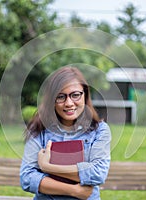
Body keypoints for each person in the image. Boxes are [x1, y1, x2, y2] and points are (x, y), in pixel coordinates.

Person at [20, 66, 111, 200]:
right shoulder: (38, 129)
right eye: (60, 97)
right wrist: (74, 190)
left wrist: (46, 167)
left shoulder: (100, 130)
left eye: (75, 95)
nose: (69, 103)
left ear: (85, 95)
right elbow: (27, 178)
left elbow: (98, 174)